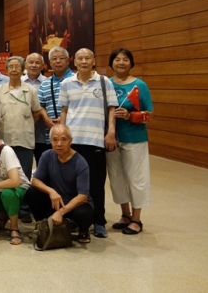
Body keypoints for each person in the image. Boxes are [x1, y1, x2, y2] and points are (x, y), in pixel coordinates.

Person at [59, 48, 117, 238]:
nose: (84, 61)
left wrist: (111, 131)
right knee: (73, 183)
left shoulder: (104, 81)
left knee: (96, 183)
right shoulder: (67, 83)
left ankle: (99, 221)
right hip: (73, 141)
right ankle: (76, 218)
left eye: (87, 58)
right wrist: (61, 135)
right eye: (80, 58)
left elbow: (111, 109)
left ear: (93, 61)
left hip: (95, 140)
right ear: (74, 61)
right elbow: (64, 111)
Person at [107, 48, 153, 235]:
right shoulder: (106, 83)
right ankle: (125, 214)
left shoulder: (139, 85)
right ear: (111, 63)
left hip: (134, 138)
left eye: (125, 59)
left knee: (136, 177)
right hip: (111, 139)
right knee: (116, 177)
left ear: (131, 63)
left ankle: (136, 218)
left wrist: (130, 116)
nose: (121, 62)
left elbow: (148, 114)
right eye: (117, 59)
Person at [25, 124, 94, 244]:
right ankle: (42, 225)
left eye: (63, 139)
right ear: (50, 141)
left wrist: (61, 212)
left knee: (84, 213)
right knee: (32, 192)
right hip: (55, 201)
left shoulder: (81, 162)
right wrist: (51, 191)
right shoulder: (47, 156)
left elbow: (83, 196)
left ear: (70, 141)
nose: (59, 144)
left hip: (74, 204)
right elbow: (35, 180)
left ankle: (83, 231)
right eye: (55, 140)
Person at [0, 56, 41, 196]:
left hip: (24, 140)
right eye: (11, 67)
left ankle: (24, 206)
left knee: (24, 176)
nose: (14, 70)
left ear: (22, 70)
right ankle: (8, 203)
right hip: (5, 140)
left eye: (17, 67)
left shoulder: (30, 90)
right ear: (6, 70)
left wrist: (26, 125)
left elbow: (37, 112)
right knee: (6, 174)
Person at [37, 47, 74, 163]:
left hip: (73, 133)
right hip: (51, 134)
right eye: (54, 59)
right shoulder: (45, 83)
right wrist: (47, 120)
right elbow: (40, 105)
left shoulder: (76, 80)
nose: (58, 61)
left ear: (68, 61)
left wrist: (63, 119)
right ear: (49, 62)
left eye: (61, 58)